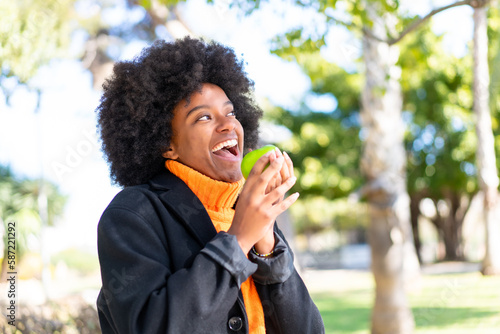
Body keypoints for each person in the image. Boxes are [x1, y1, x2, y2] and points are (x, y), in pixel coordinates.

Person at [95, 36, 324, 334]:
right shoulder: (132, 214)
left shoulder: (247, 209)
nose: (228, 124)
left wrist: (266, 244)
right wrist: (239, 239)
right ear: (167, 145)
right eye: (203, 117)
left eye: (230, 112)